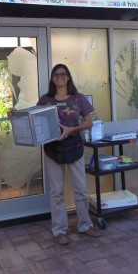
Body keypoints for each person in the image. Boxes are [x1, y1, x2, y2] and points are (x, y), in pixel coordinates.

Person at [37, 64, 102, 245]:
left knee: (80, 189)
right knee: (57, 192)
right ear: (52, 78)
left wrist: (72, 129)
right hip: (52, 150)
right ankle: (59, 230)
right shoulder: (45, 100)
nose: (60, 77)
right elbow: (34, 119)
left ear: (68, 77)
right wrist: (15, 116)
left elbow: (89, 122)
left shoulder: (78, 98)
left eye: (63, 74)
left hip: (75, 146)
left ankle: (85, 225)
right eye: (56, 74)